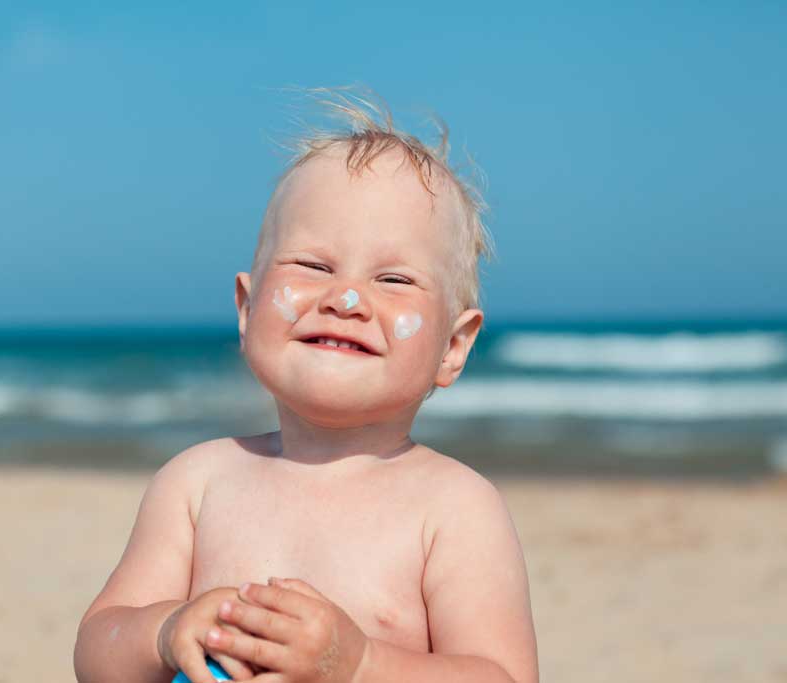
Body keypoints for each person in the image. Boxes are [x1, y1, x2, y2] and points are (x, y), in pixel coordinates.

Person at [74, 87, 539, 683]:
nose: (345, 300)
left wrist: (362, 663)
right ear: (246, 309)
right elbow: (96, 651)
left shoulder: (454, 509)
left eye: (393, 279)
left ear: (452, 347)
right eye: (313, 266)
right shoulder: (196, 483)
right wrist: (164, 630)